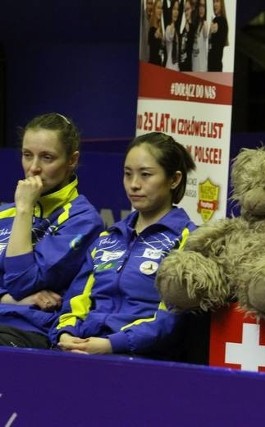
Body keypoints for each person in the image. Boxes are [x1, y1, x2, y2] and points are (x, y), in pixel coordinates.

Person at [49, 132, 197, 358]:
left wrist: (111, 344)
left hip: (144, 359)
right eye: (128, 175)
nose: (134, 185)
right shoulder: (108, 238)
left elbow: (171, 320)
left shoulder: (189, 240)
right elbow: (76, 303)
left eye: (146, 175)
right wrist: (65, 334)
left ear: (174, 180)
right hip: (84, 349)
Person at [0, 113, 103, 349]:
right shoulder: (5, 214)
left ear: (72, 160)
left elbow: (21, 282)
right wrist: (11, 299)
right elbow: (21, 292)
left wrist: (24, 210)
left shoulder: (83, 221)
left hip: (31, 330)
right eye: (27, 155)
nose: (33, 168)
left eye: (47, 157)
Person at [207, 0, 228, 72]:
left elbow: (209, 31)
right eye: (213, 2)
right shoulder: (218, 20)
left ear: (221, 4)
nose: (214, 4)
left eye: (217, 2)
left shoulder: (220, 20)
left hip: (214, 68)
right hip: (214, 67)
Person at [178, 0, 196, 71]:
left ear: (192, 9)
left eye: (188, 9)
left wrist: (189, 32)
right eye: (185, 11)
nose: (186, 13)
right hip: (181, 68)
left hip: (188, 69)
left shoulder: (193, 28)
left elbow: (191, 48)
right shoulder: (184, 28)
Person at [164, 0, 182, 71]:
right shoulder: (168, 28)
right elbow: (169, 36)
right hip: (169, 68)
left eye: (177, 9)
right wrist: (172, 25)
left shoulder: (177, 30)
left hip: (176, 68)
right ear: (171, 10)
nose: (176, 12)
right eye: (174, 9)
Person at [148, 0, 166, 66]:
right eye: (158, 8)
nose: (160, 11)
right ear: (154, 9)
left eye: (161, 8)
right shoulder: (151, 29)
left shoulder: (160, 27)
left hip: (159, 66)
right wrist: (155, 36)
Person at [192, 0, 209, 72]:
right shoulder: (194, 24)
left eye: (204, 6)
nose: (202, 9)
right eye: (200, 6)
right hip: (193, 66)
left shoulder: (205, 24)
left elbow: (206, 33)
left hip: (202, 68)